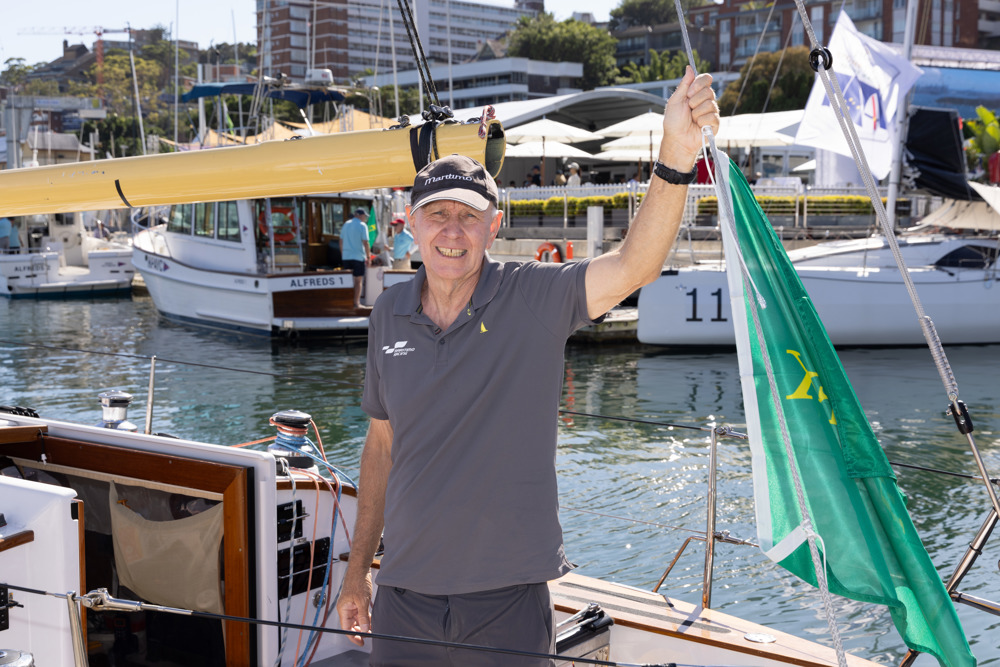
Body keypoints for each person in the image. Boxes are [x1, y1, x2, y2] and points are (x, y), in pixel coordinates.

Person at [335, 66, 719, 666]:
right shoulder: (388, 312)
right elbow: (381, 445)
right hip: (403, 595)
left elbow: (634, 266)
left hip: (506, 601)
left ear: (494, 225)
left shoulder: (533, 297)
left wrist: (676, 151)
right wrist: (359, 573)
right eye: (438, 215)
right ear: (411, 224)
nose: (452, 232)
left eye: (469, 216)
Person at [340, 207, 371, 309]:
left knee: (348, 281)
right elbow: (366, 243)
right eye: (364, 216)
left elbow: (341, 241)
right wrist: (369, 257)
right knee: (358, 281)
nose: (365, 218)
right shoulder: (362, 226)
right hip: (358, 257)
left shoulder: (346, 224)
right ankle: (356, 303)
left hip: (346, 257)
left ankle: (346, 303)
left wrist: (343, 254)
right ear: (360, 215)